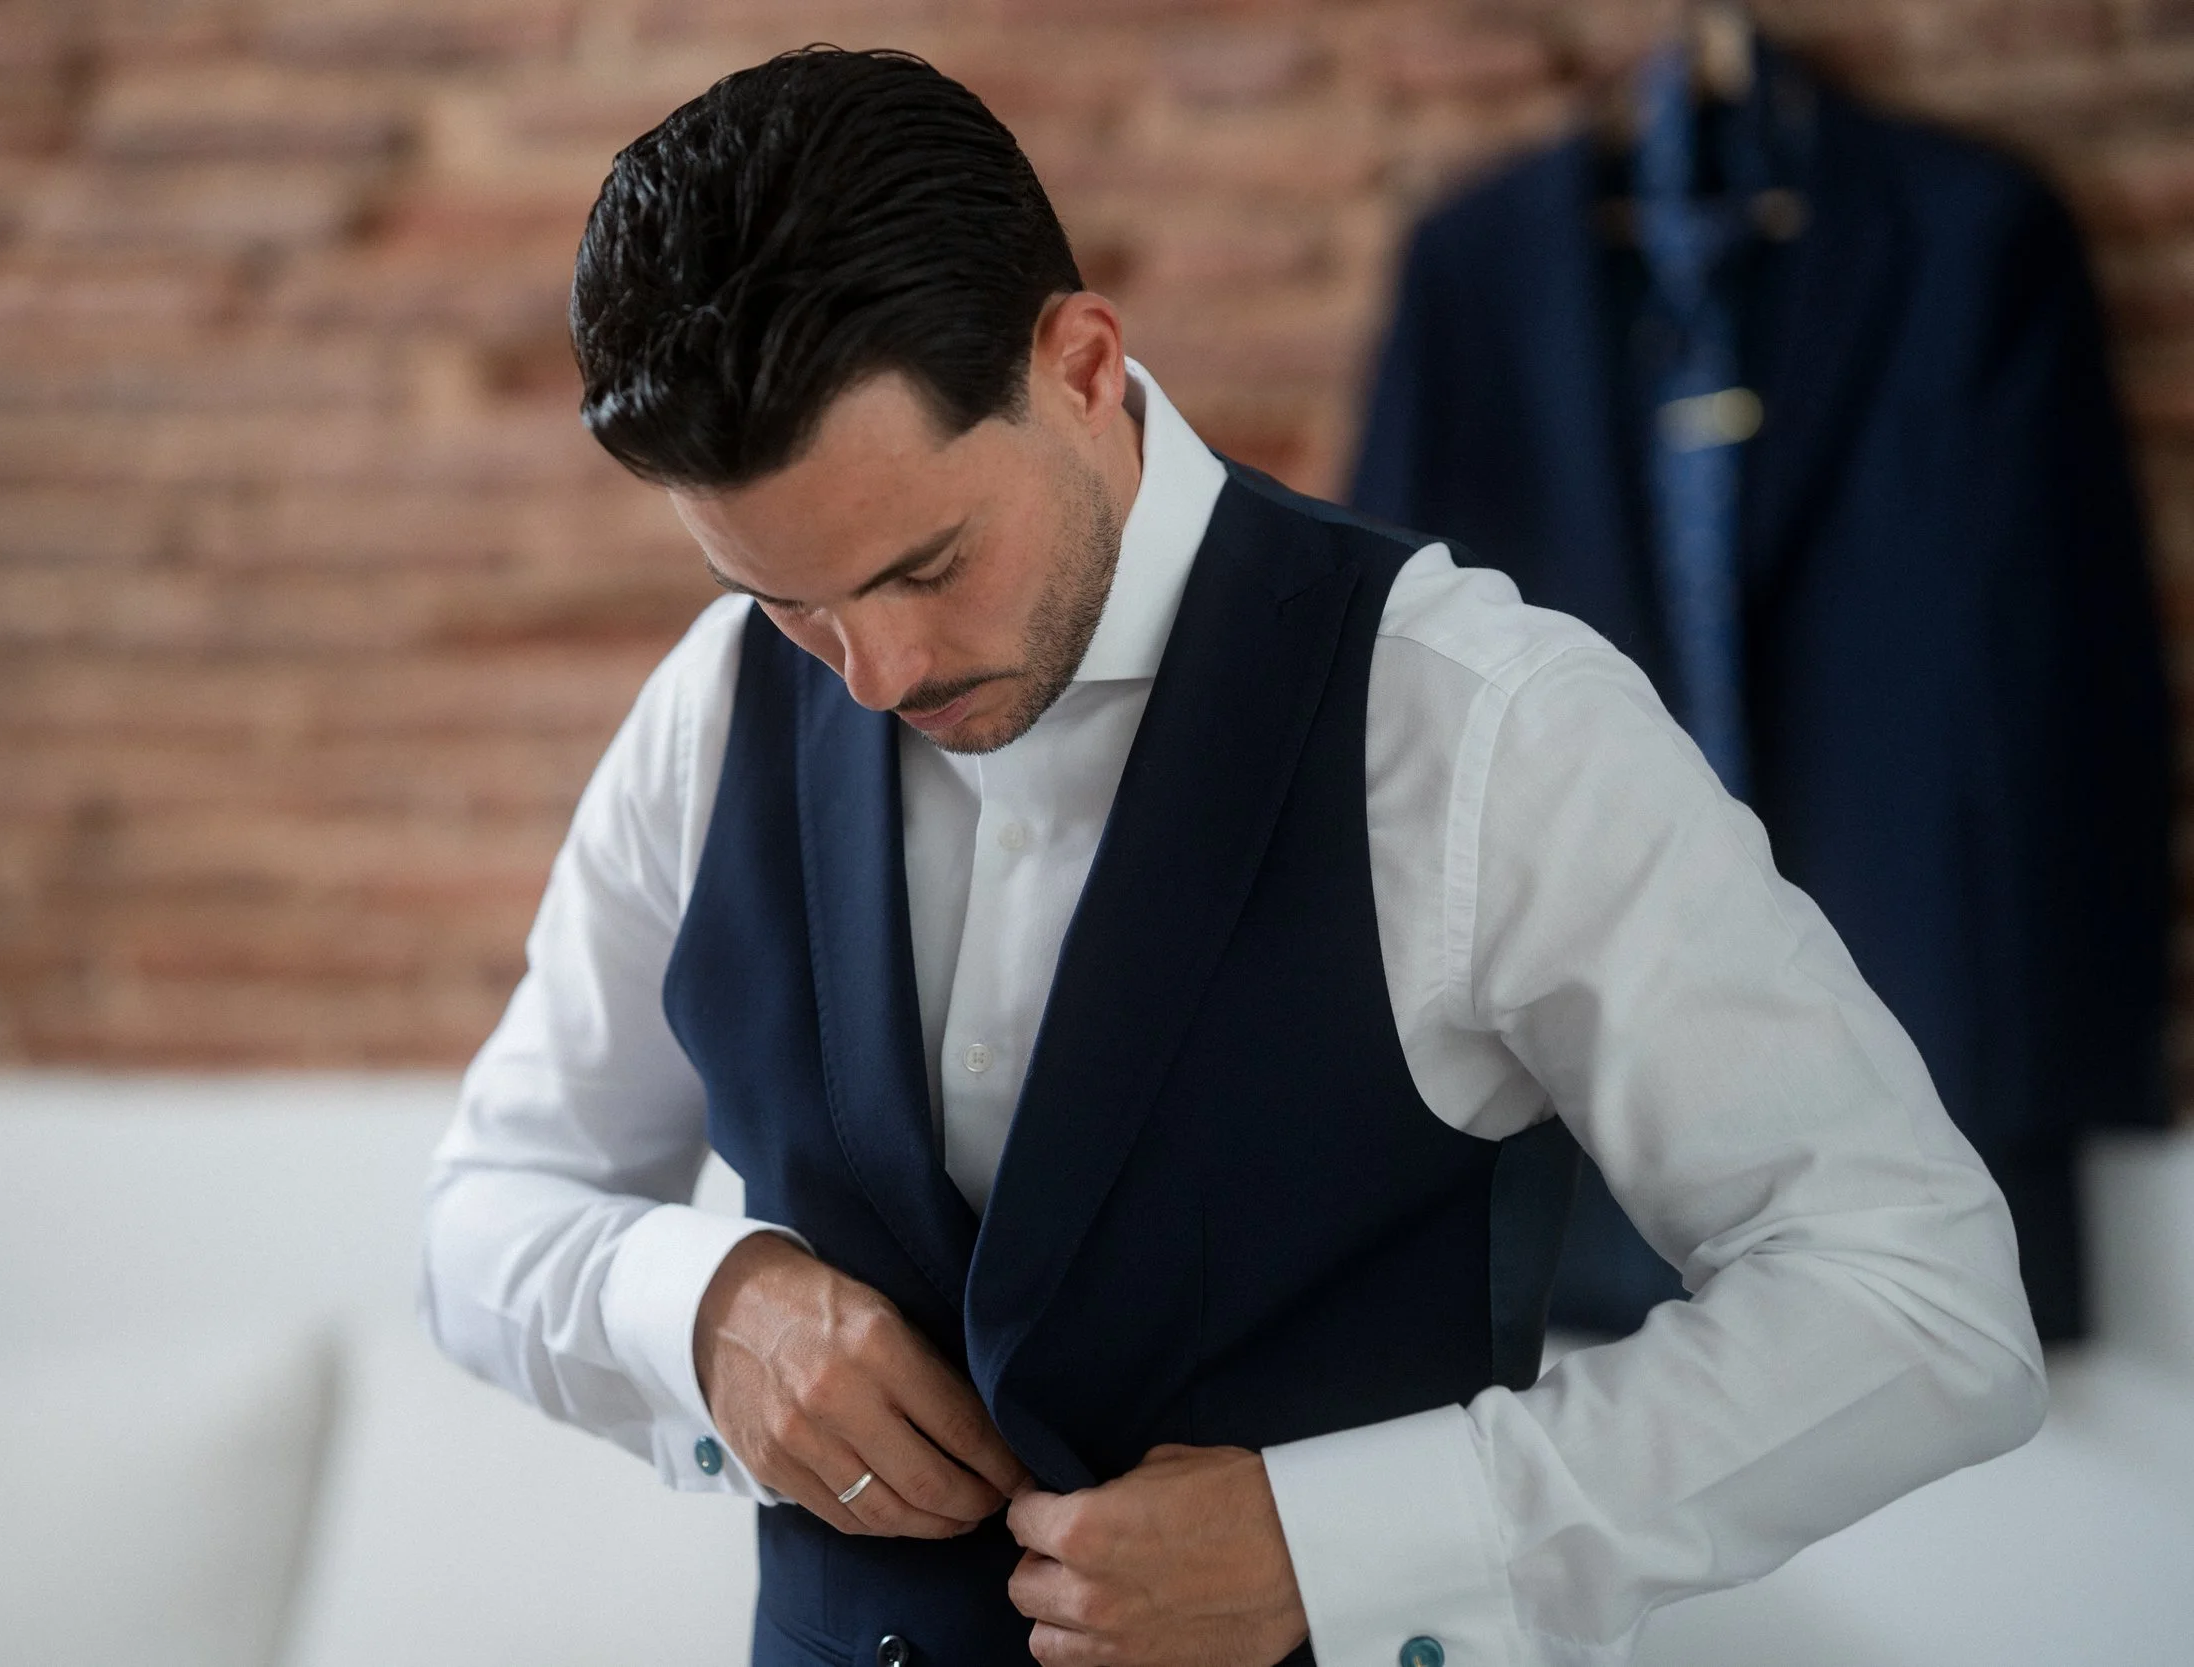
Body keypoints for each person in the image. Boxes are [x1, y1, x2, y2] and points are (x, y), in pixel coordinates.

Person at [423, 46, 2046, 1667]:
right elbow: (485, 1210)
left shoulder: (1481, 723)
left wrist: (1348, 1545)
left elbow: (1921, 1293)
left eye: (927, 564)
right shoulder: (713, 707)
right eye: (790, 597)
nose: (875, 673)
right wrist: (707, 1308)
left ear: (1080, 360)